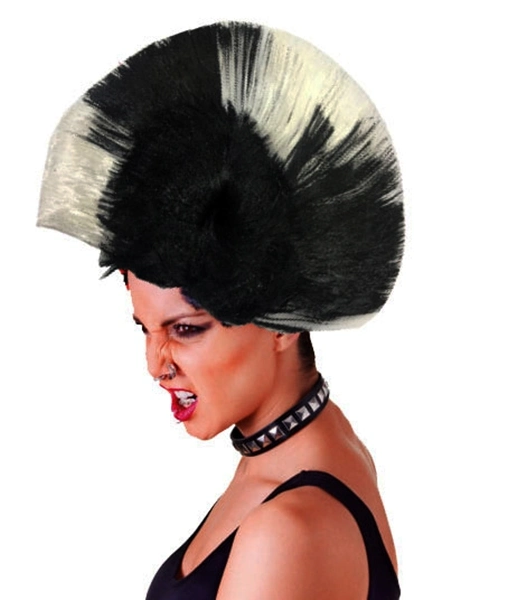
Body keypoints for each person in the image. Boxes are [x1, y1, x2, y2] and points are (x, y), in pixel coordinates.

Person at [38, 21, 404, 599]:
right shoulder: (309, 446)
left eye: (186, 329)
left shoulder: (287, 531)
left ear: (280, 321)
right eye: (144, 328)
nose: (156, 365)